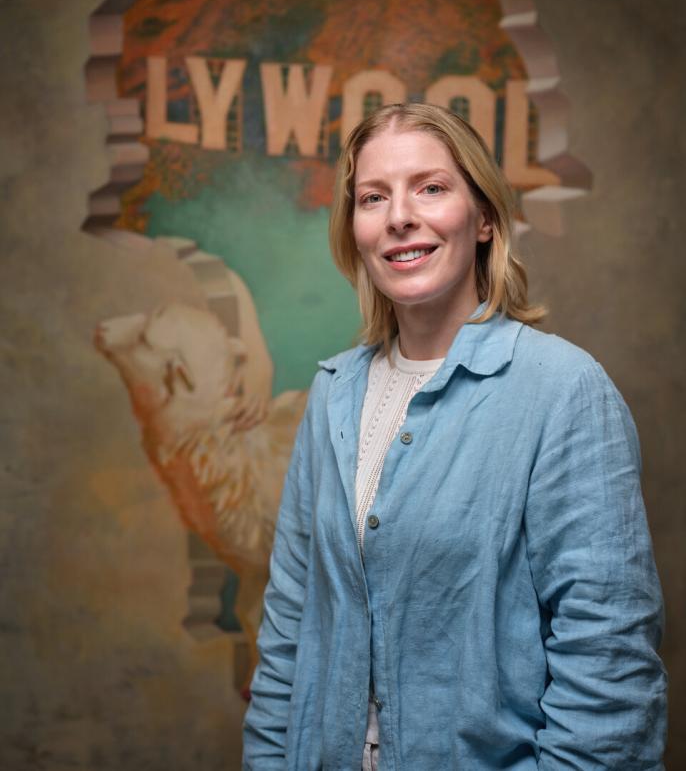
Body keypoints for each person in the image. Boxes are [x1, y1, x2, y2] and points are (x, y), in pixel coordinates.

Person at [242, 103, 667, 769]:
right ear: (354, 229)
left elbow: (608, 665)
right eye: (373, 197)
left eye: (431, 188)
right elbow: (289, 635)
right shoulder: (332, 396)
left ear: (486, 219)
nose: (399, 217)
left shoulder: (563, 392)